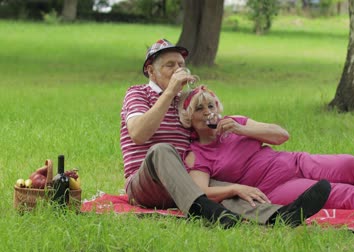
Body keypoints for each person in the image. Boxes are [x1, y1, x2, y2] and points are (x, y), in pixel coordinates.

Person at [119, 38, 331, 229]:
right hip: (147, 184)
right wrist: (169, 93)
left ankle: (280, 216)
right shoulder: (137, 93)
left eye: (181, 65)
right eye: (170, 65)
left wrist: (232, 129)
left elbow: (210, 129)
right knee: (162, 150)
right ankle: (203, 209)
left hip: (183, 185)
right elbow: (138, 134)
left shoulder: (184, 103)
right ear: (150, 70)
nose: (178, 69)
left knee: (234, 190)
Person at [178, 86, 354, 218]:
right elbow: (201, 193)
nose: (208, 113)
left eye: (211, 106)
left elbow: (281, 136)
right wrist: (236, 188)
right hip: (275, 186)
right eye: (200, 109)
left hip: (293, 161)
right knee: (338, 192)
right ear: (190, 119)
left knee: (349, 164)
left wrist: (242, 130)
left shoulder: (236, 123)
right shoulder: (197, 154)